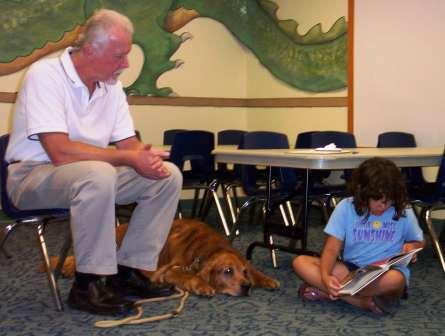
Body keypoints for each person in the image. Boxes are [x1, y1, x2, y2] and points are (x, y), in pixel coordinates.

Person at [5, 9, 183, 315]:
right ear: (90, 50)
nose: (126, 64)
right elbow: (59, 151)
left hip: (89, 175)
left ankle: (129, 272)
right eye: (119, 56)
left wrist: (143, 156)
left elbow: (128, 143)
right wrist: (127, 157)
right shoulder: (45, 75)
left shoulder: (111, 86)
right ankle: (90, 284)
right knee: (98, 174)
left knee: (167, 176)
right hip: (31, 177)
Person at [293, 157, 425, 314]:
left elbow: (420, 241)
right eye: (377, 200)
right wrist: (325, 276)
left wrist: (413, 247)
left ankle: (329, 292)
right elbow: (331, 249)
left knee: (396, 280)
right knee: (300, 262)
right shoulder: (346, 207)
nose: (383, 206)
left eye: (389, 200)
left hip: (385, 273)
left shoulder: (403, 210)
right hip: (352, 272)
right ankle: (360, 301)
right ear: (363, 193)